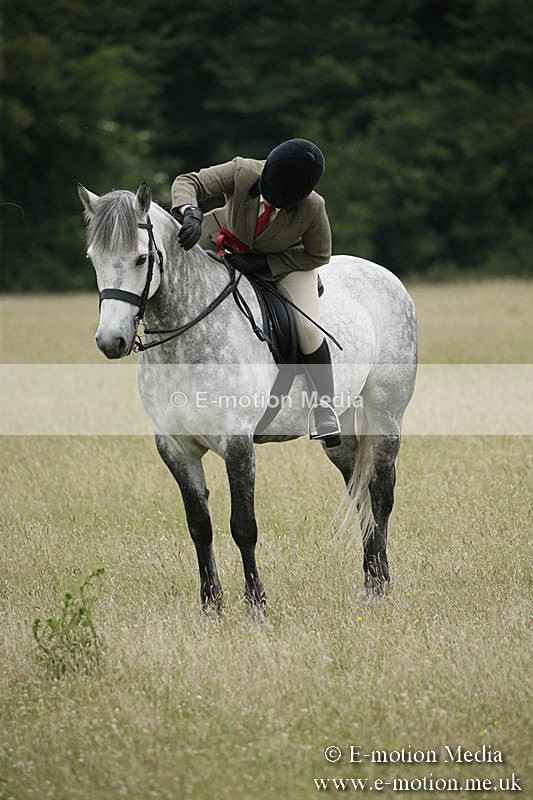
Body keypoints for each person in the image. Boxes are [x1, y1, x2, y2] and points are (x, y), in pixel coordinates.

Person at [170, 138, 341, 446]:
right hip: (223, 238)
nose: (273, 205)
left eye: (282, 202)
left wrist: (263, 262)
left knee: (307, 329)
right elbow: (189, 181)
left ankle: (324, 408)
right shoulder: (242, 171)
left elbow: (318, 256)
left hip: (284, 263)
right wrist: (190, 211)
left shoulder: (313, 207)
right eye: (271, 197)